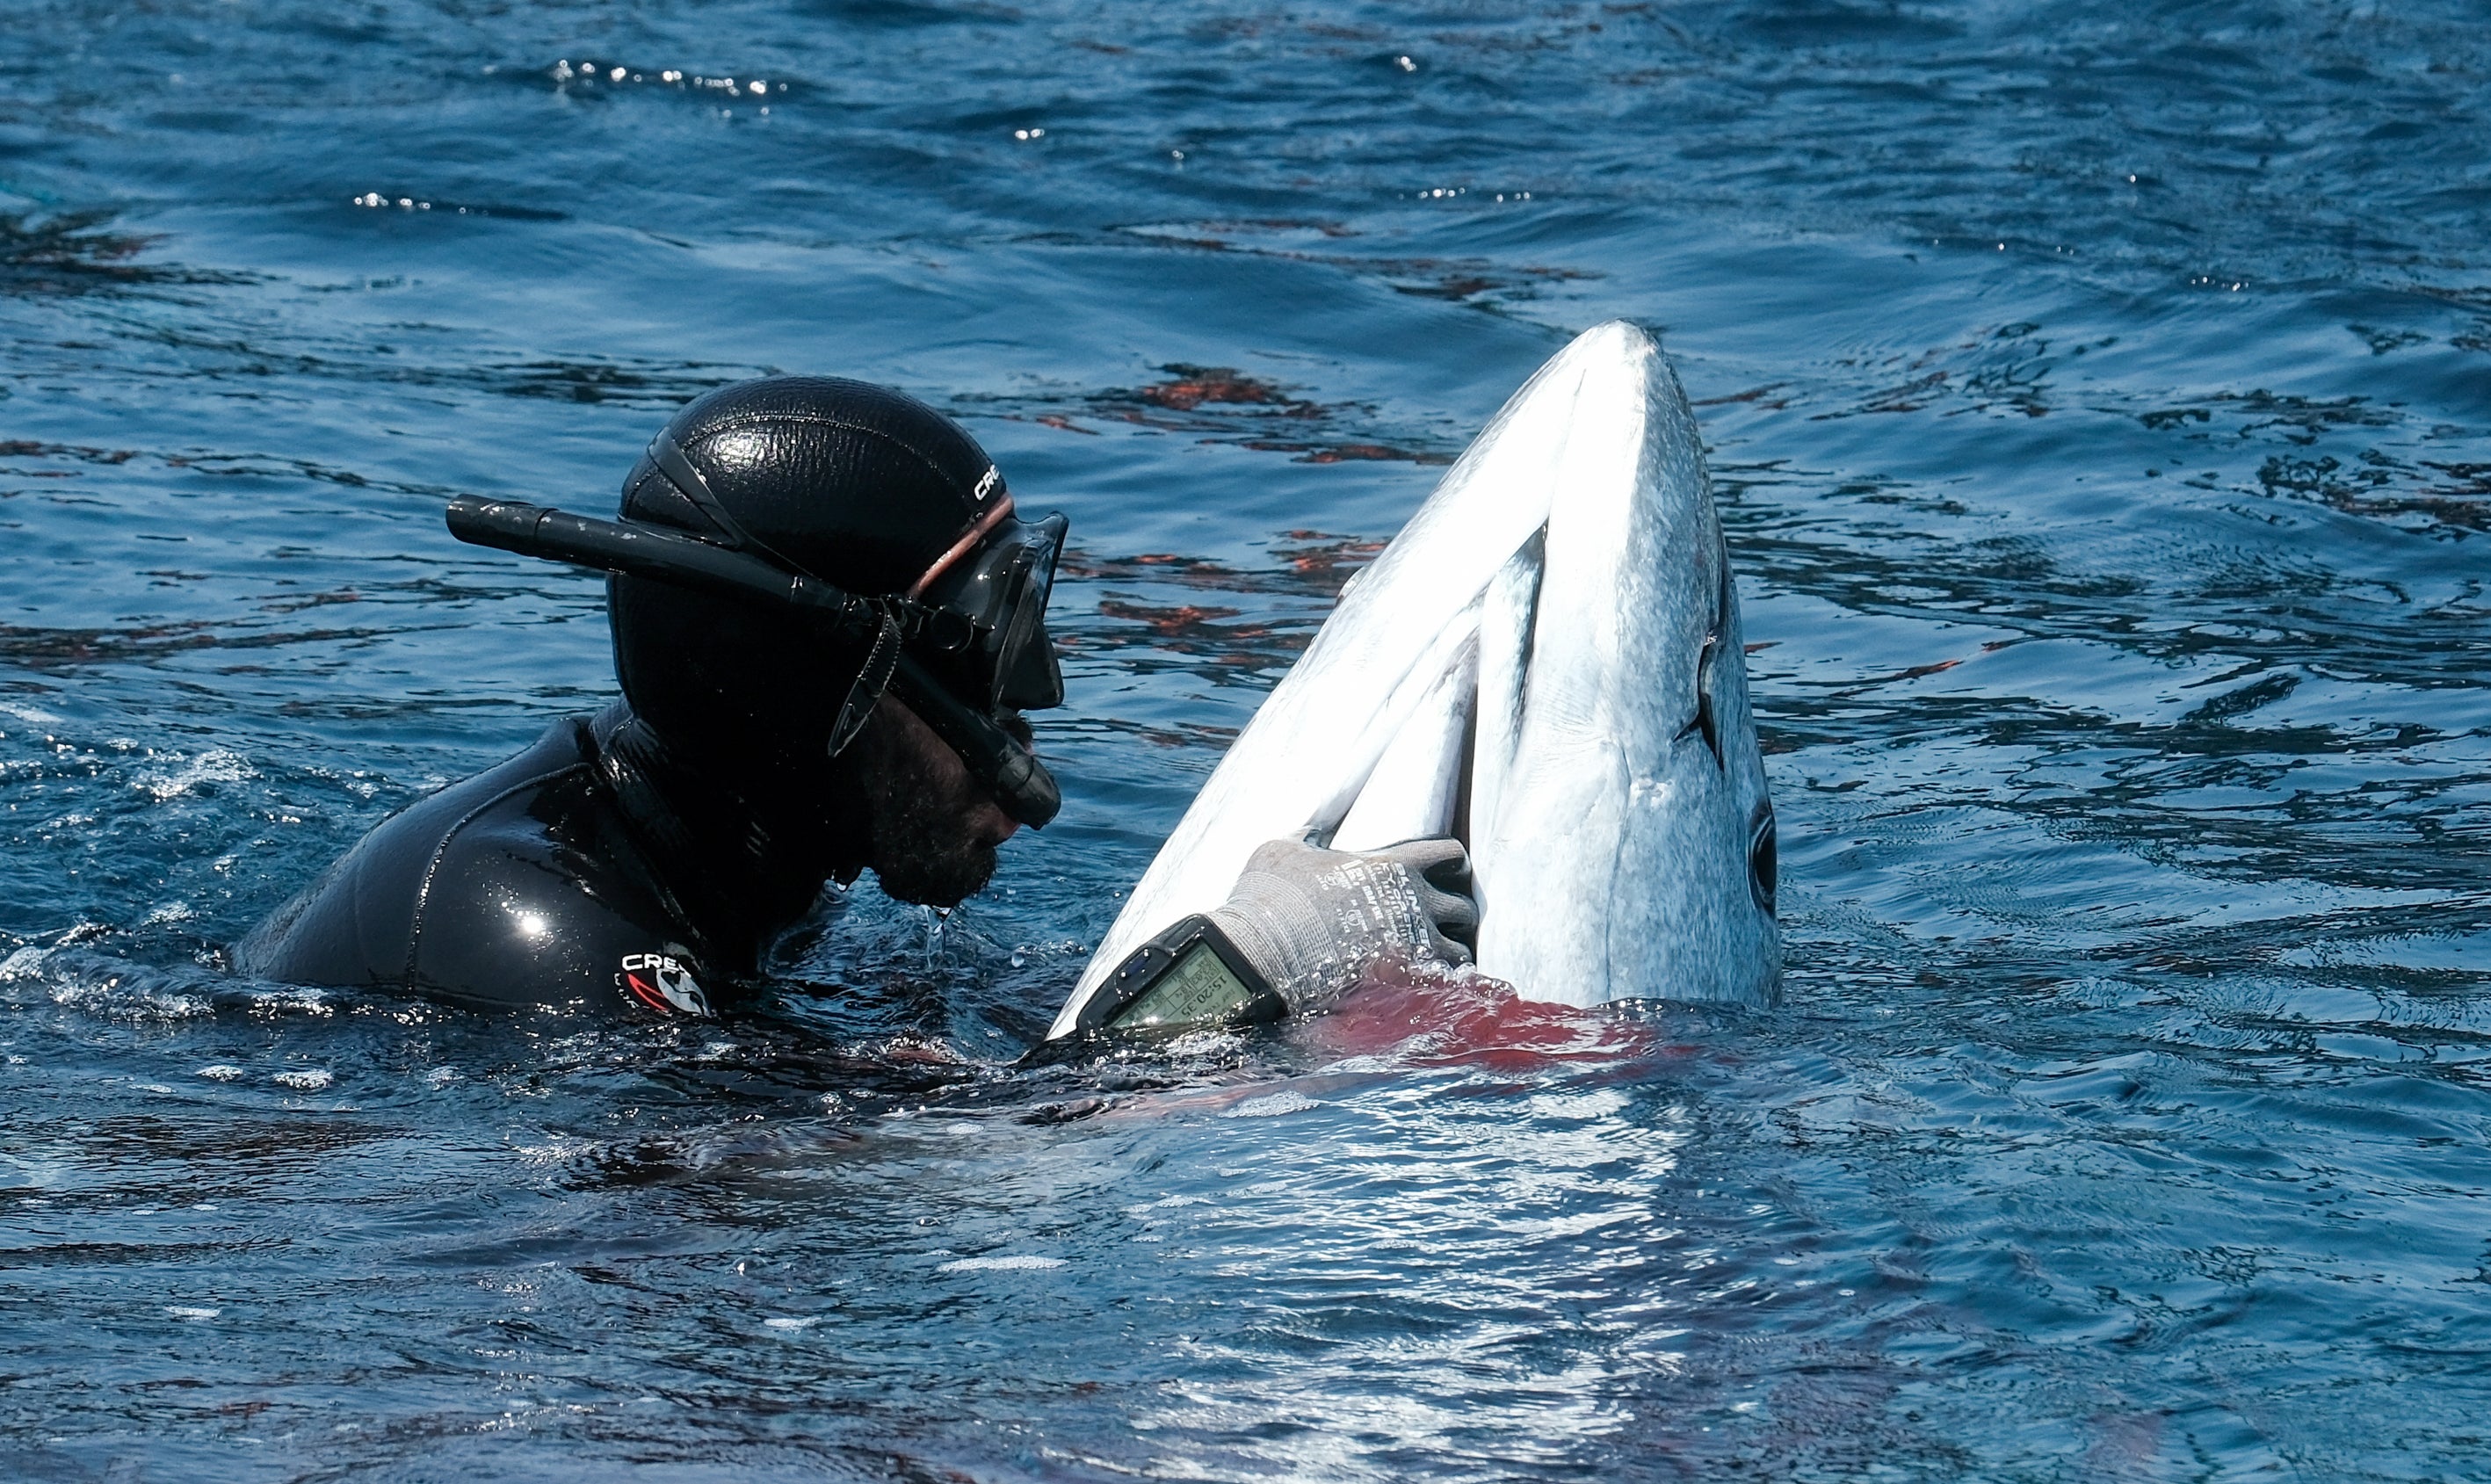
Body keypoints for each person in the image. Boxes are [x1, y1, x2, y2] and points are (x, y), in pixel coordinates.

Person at [238, 375, 1477, 1025]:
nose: (1025, 735)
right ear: (814, 698)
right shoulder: (540, 946)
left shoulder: (748, 867)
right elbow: (828, 1185)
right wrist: (1243, 974)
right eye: (977, 659)